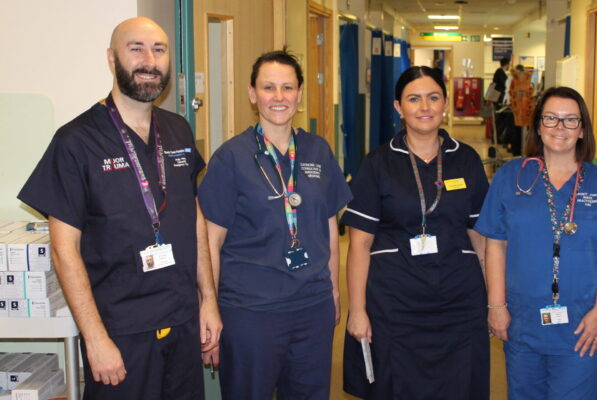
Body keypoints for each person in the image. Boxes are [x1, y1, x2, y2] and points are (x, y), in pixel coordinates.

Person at [17, 17, 221, 400]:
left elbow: (193, 217)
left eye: (159, 50)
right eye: (136, 49)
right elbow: (64, 251)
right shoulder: (76, 142)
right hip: (121, 332)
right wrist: (95, 339)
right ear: (112, 59)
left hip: (181, 321)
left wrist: (207, 300)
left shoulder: (177, 130)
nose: (149, 60)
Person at [198, 49, 351, 399]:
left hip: (312, 306)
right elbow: (210, 241)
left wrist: (333, 289)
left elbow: (329, 226)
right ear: (253, 94)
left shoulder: (317, 151)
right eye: (269, 88)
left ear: (299, 94)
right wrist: (209, 306)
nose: (278, 97)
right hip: (251, 311)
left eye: (287, 87)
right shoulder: (231, 157)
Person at [343, 66, 490, 399]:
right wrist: (358, 309)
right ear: (399, 107)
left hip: (458, 300)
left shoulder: (465, 159)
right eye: (414, 99)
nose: (425, 107)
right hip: (395, 303)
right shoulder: (378, 163)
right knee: (397, 386)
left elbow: (481, 239)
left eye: (433, 97)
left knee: (458, 386)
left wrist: (494, 303)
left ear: (445, 103)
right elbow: (360, 244)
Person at [475, 86, 597, 399]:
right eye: (551, 119)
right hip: (522, 322)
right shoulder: (511, 177)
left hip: (582, 326)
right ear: (538, 127)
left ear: (582, 129)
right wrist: (496, 306)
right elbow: (495, 245)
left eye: (571, 120)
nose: (560, 128)